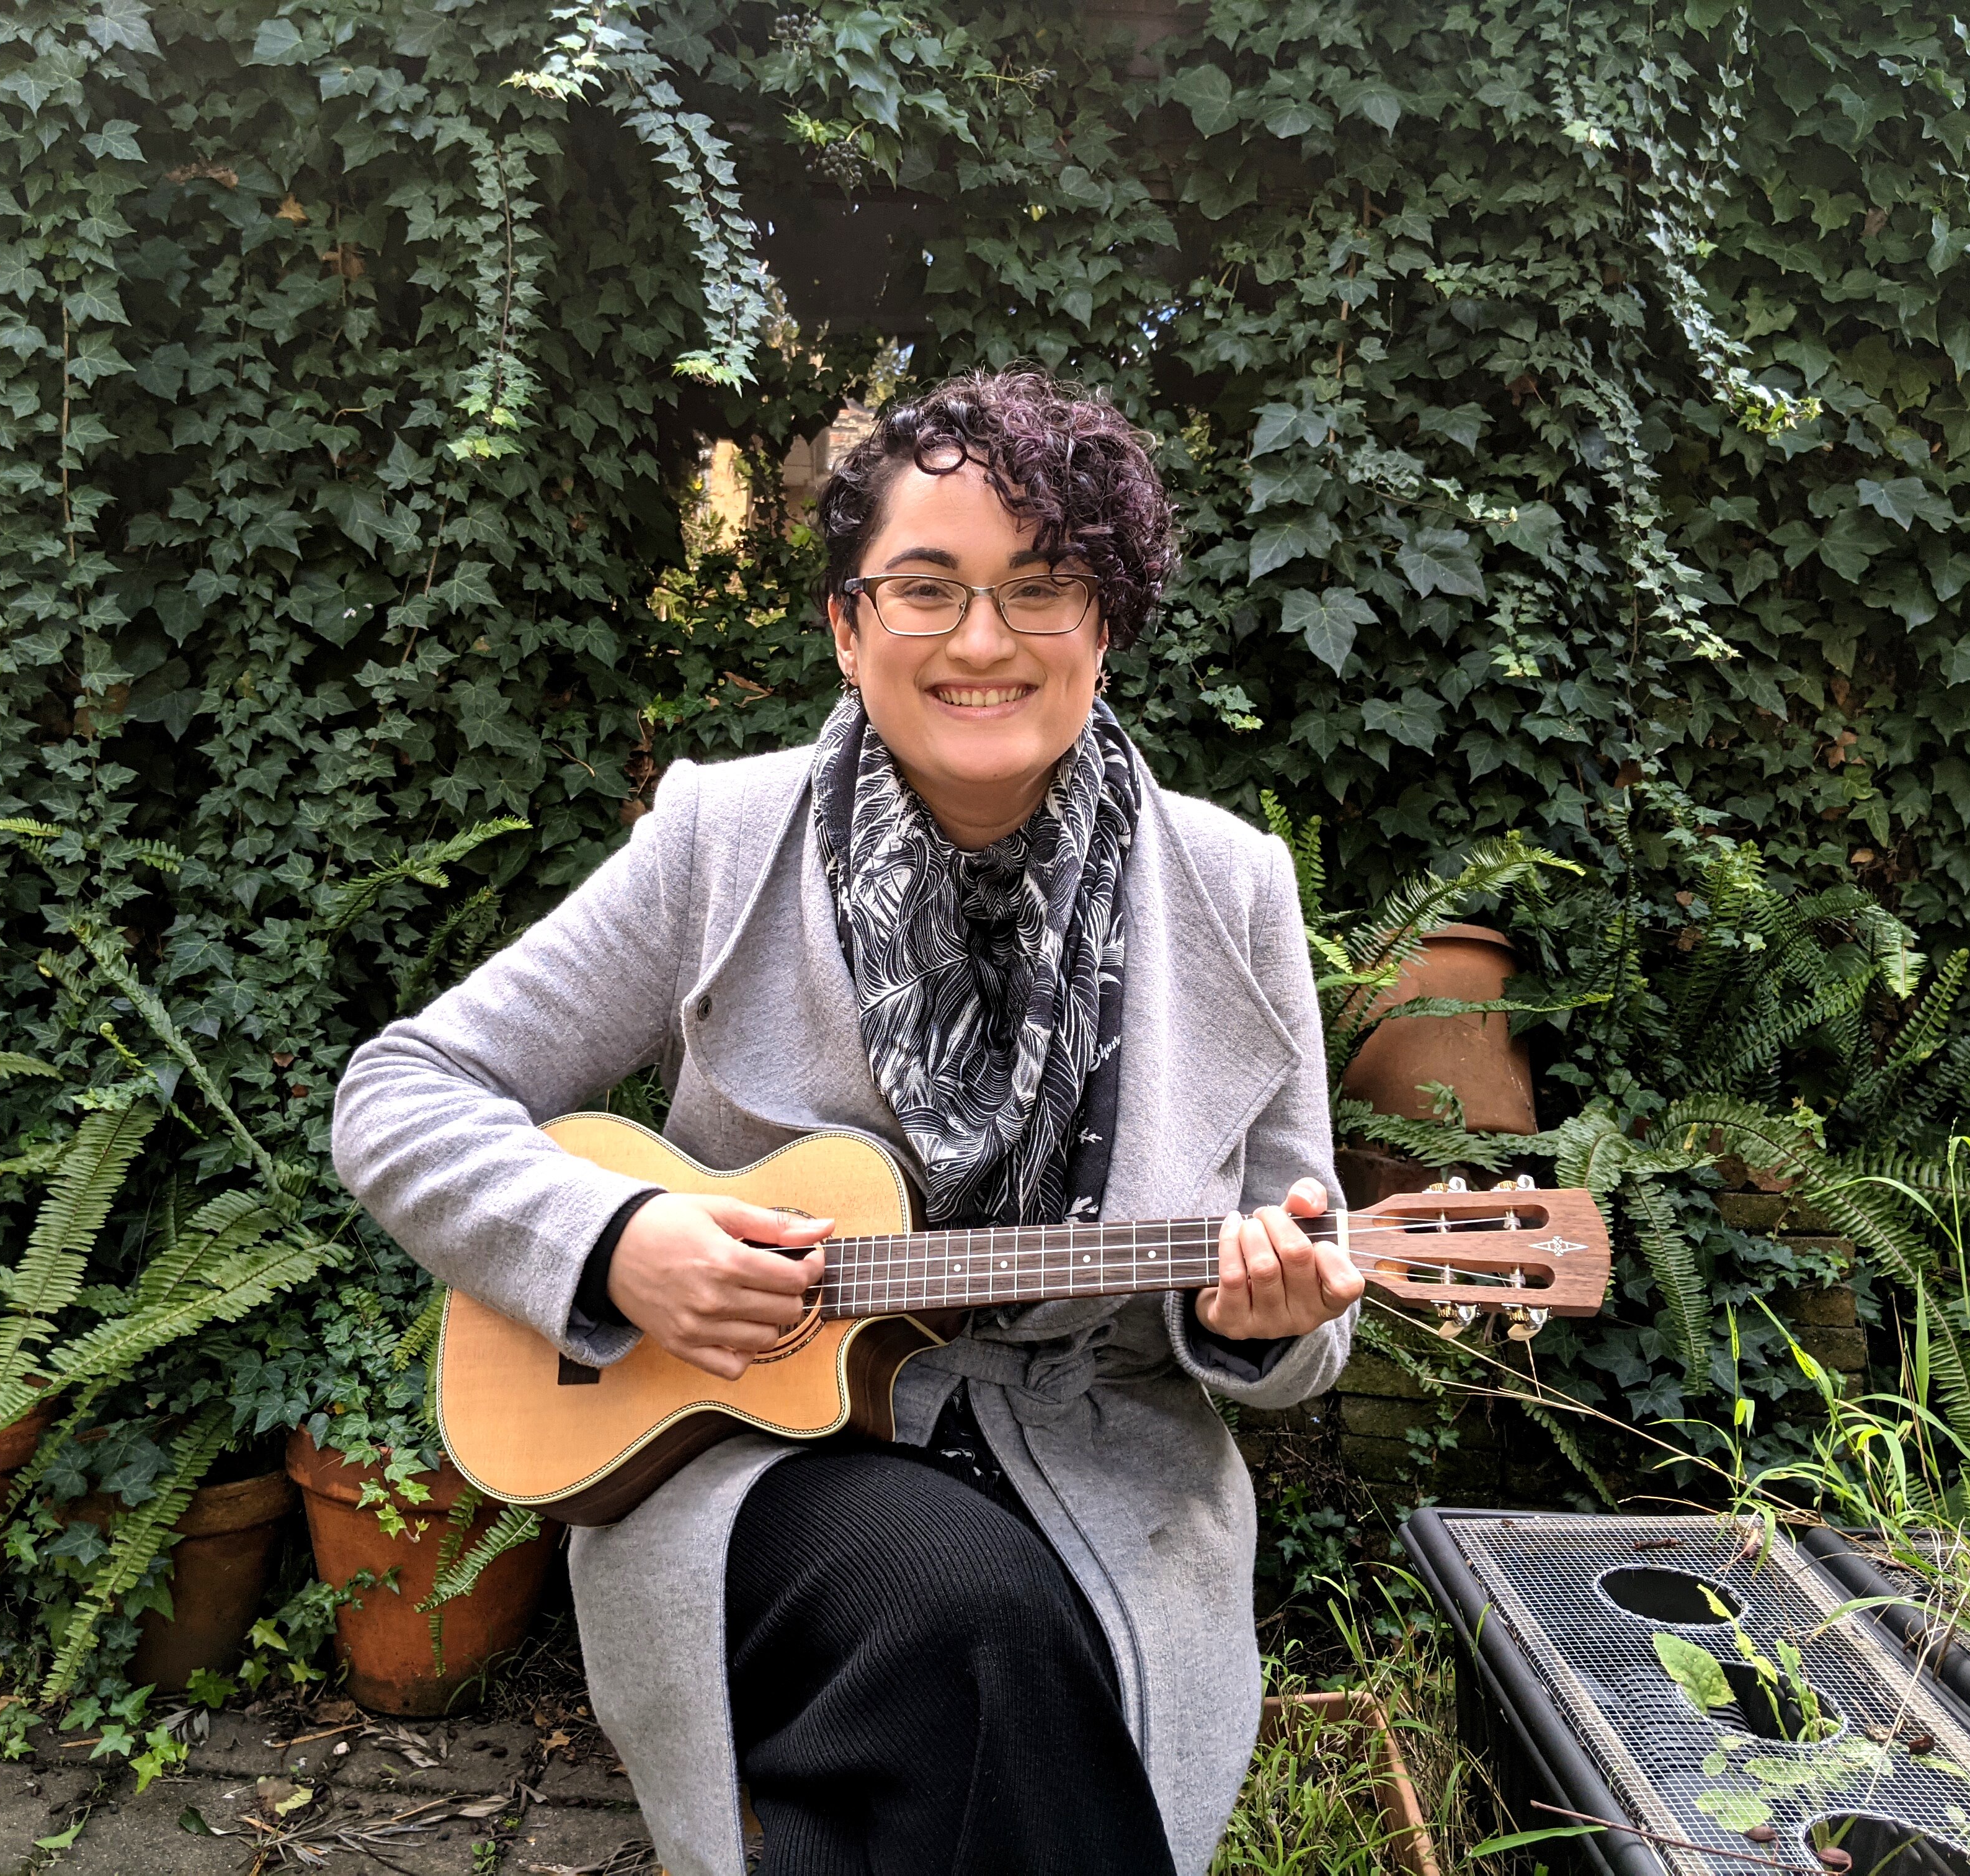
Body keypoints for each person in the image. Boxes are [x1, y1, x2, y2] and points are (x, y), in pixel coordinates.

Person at [332, 367, 1364, 1876]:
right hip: (749, 1458)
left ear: (1107, 623)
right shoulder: (721, 841)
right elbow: (403, 1091)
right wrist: (615, 1240)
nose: (984, 641)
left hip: (1098, 1457)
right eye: (928, 589)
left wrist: (1266, 1321)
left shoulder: (1233, 888)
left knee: (929, 1750)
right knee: (966, 1620)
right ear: (846, 625)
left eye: (1043, 589)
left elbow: (1307, 1295)